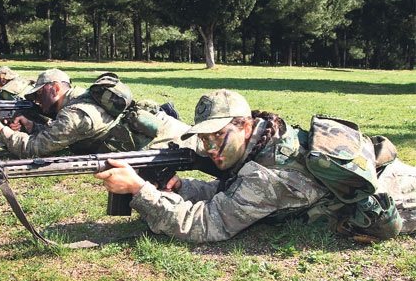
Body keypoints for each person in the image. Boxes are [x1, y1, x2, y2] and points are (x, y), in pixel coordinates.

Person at [94, 90, 416, 243]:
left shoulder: (262, 177)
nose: (209, 148)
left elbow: (206, 224)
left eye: (218, 136)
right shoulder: (265, 138)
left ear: (245, 125)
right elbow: (229, 192)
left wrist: (140, 190)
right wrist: (183, 188)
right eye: (204, 139)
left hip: (397, 193)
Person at [0, 68, 204, 158]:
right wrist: (34, 128)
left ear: (55, 88)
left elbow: (33, 150)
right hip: (166, 130)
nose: (35, 100)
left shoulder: (74, 115)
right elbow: (64, 135)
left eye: (38, 94)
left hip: (176, 141)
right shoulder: (82, 98)